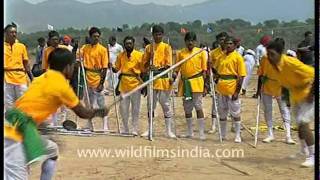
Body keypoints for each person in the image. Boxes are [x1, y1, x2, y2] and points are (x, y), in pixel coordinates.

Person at [4, 48, 110, 180]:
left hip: (11, 123)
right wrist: (100, 111)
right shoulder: (61, 85)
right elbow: (83, 113)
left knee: (52, 150)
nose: (74, 69)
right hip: (17, 133)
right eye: (73, 66)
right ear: (66, 68)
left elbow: (31, 107)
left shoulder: (41, 78)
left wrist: (43, 130)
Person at [265, 38, 314, 167]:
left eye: (272, 54)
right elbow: (284, 83)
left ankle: (313, 155)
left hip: (309, 93)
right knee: (299, 124)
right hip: (295, 95)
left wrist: (311, 94)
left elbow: (314, 74)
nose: (269, 57)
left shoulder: (291, 62)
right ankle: (303, 150)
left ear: (280, 53)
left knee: (304, 123)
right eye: (268, 54)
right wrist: (286, 98)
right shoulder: (274, 66)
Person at [140, 25, 175, 138]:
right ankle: (150, 130)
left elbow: (168, 65)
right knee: (151, 105)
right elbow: (143, 65)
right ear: (153, 35)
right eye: (156, 34)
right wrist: (148, 64)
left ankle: (168, 131)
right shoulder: (148, 48)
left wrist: (158, 69)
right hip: (151, 80)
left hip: (163, 80)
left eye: (160, 34)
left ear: (162, 35)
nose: (158, 36)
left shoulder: (166, 47)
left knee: (165, 104)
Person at [254, 54, 296, 144]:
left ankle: (288, 135)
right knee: (268, 110)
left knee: (285, 110)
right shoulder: (265, 58)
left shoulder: (286, 60)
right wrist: (258, 91)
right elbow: (260, 75)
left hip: (282, 87)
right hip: (267, 87)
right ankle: (270, 134)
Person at [213, 36, 247, 143]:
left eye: (230, 43)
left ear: (234, 45)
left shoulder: (238, 57)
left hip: (232, 88)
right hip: (221, 88)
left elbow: (241, 76)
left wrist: (237, 91)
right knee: (222, 113)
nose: (228, 45)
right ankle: (223, 135)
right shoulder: (221, 57)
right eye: (227, 43)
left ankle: (237, 135)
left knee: (235, 113)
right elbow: (216, 71)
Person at [176, 32, 207, 140]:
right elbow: (177, 69)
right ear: (185, 41)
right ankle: (190, 132)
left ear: (195, 41)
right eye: (188, 40)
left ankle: (201, 133)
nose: (190, 42)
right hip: (185, 84)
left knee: (198, 106)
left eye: (192, 40)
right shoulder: (181, 53)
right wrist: (173, 78)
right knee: (187, 108)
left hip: (197, 82)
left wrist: (205, 85)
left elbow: (204, 71)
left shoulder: (200, 52)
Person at [112, 36, 143, 136]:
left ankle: (134, 128)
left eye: (130, 43)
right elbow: (116, 68)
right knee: (123, 109)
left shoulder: (139, 55)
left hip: (135, 84)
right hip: (124, 84)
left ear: (133, 44)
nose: (128, 45)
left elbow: (143, 70)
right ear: (124, 44)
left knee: (135, 108)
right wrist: (111, 67)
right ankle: (125, 128)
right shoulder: (121, 55)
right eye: (126, 43)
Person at [80, 27, 109, 130]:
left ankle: (105, 125)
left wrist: (101, 83)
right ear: (90, 37)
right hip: (87, 77)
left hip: (97, 78)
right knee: (88, 103)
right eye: (94, 36)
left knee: (101, 104)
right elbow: (78, 59)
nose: (96, 38)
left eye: (98, 36)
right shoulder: (84, 48)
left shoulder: (102, 50)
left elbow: (105, 67)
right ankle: (89, 124)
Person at [42, 31, 70, 126]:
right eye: (53, 39)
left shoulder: (65, 49)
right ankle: (54, 123)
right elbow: (45, 67)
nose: (55, 41)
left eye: (57, 39)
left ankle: (63, 122)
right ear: (49, 40)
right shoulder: (46, 51)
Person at [4, 23, 32, 112]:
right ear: (5, 33)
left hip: (20, 78)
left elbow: (26, 63)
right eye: (11, 32)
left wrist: (32, 78)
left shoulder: (21, 46)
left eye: (15, 32)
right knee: (9, 104)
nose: (14, 34)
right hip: (6, 78)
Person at [208, 32, 228, 134]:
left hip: (229, 82)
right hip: (216, 81)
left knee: (230, 103)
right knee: (215, 103)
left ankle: (233, 124)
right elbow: (210, 66)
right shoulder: (213, 53)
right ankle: (213, 125)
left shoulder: (231, 52)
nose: (223, 42)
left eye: (224, 39)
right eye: (221, 40)